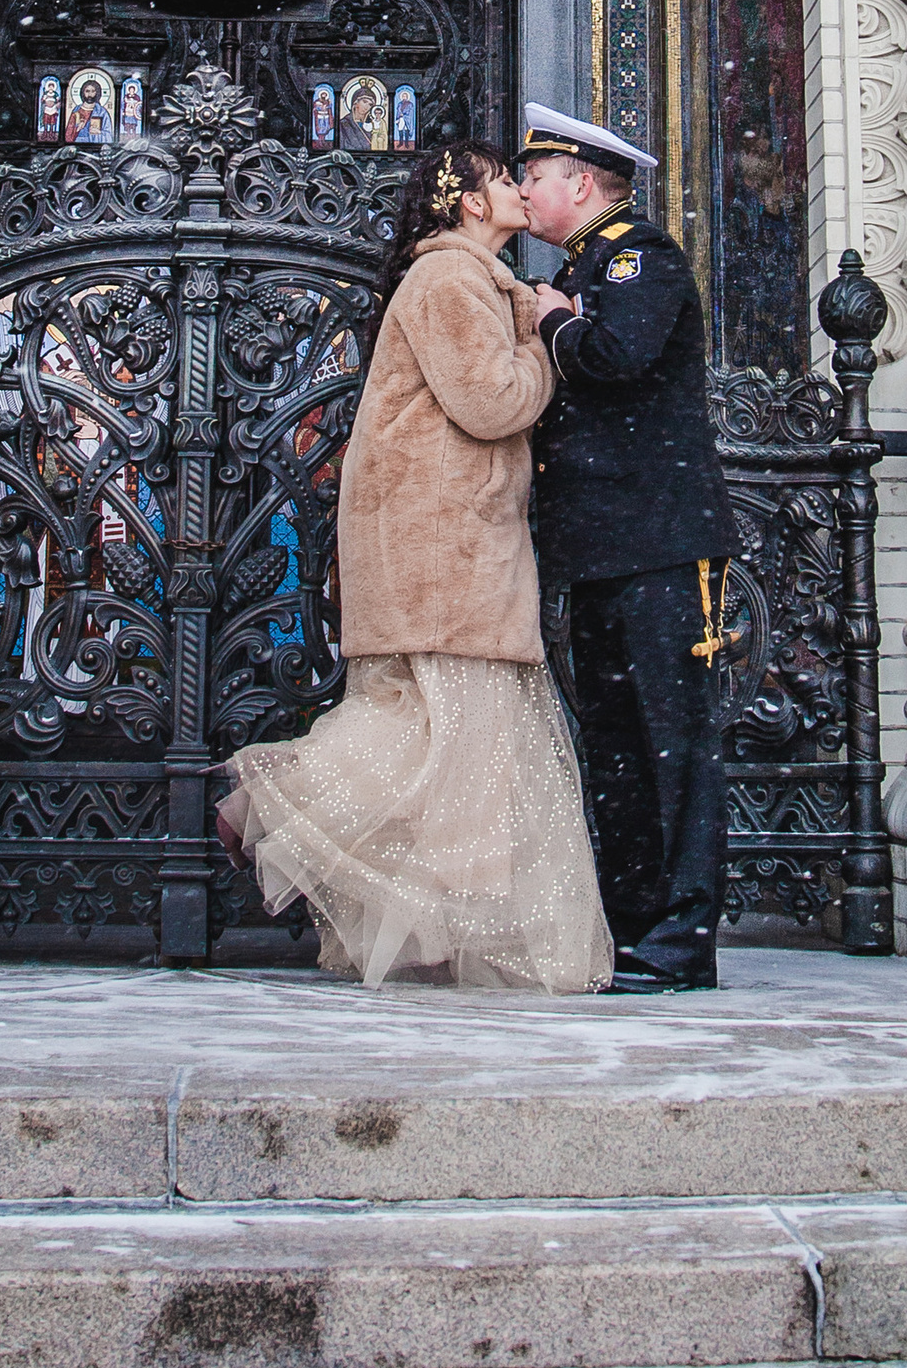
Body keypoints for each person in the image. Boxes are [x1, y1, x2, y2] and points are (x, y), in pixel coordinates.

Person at [219, 142, 612, 991]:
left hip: (450, 540)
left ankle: (432, 920)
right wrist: (545, 338)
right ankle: (269, 801)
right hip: (443, 547)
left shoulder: (469, 282)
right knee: (448, 729)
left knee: (455, 737)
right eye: (503, 179)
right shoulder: (450, 282)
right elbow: (494, 401)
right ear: (470, 203)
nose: (516, 188)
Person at [517, 104, 732, 994]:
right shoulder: (583, 264)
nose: (525, 188)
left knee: (673, 742)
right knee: (616, 744)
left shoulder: (640, 255)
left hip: (659, 543)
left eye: (536, 174)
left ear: (580, 180)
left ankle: (684, 938)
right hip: (603, 547)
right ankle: (635, 923)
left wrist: (556, 322)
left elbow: (616, 356)